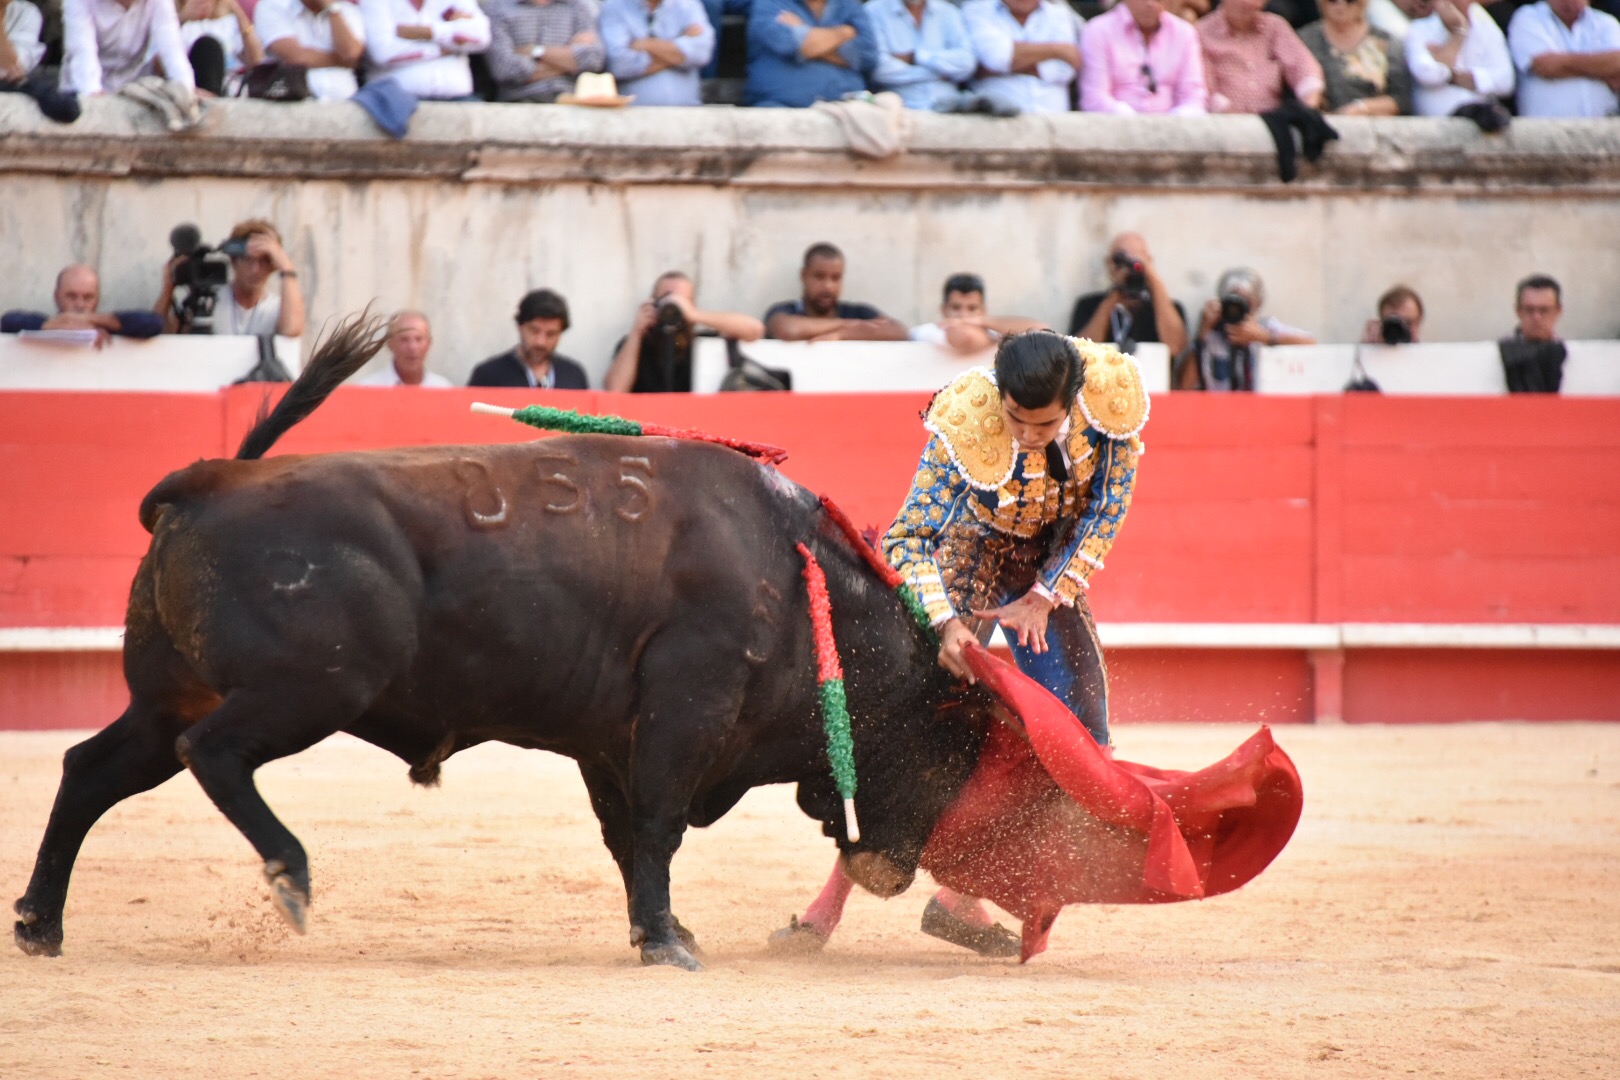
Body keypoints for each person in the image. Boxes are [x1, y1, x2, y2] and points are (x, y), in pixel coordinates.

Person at [773, 330, 1147, 957]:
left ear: (1074, 402)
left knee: (1085, 744)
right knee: (914, 729)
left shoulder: (1111, 399)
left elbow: (1106, 507)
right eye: (1016, 418)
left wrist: (1046, 595)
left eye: (1044, 423)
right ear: (999, 399)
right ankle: (824, 912)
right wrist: (947, 622)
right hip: (970, 557)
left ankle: (958, 901)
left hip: (1047, 571)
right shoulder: (966, 418)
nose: (1027, 434)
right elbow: (908, 539)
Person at [603, 271, 765, 393]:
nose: (673, 307)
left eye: (681, 300)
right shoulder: (635, 344)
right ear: (653, 301)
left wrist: (695, 315)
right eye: (666, 298)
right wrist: (636, 331)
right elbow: (614, 390)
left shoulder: (703, 343)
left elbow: (755, 330)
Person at [155, 218, 306, 338]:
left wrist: (286, 268)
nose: (255, 269)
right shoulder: (209, 300)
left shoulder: (277, 307)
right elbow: (162, 333)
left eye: (264, 261)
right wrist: (168, 287)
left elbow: (291, 329)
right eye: (247, 259)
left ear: (273, 266)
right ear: (233, 261)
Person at [1184, 266, 1315, 391]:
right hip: (1220, 405)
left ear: (1258, 303)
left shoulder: (1266, 328)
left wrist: (1264, 337)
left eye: (1245, 301)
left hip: (1261, 404)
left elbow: (1311, 343)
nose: (1238, 308)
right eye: (1233, 300)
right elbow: (1184, 387)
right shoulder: (1212, 336)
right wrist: (1203, 333)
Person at [1066, 231, 1188, 358]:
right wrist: (1113, 298)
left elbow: (1176, 347)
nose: (1128, 267)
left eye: (1135, 258)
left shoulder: (1168, 308)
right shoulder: (1088, 306)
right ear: (1109, 263)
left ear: (1149, 261)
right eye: (1119, 260)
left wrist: (1153, 279)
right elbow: (1079, 353)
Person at [1080, 0, 1208, 114]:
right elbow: (1094, 98)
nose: (1150, 4)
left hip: (1173, 128)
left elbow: (1193, 96)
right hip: (1114, 127)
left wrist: (1174, 123)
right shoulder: (1098, 30)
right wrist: (1133, 123)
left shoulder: (1185, 33)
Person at [763, 242, 909, 341]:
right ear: (803, 276)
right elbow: (787, 329)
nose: (828, 286)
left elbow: (899, 331)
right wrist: (850, 325)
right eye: (819, 277)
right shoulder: (785, 310)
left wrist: (842, 335)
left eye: (836, 278)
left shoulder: (858, 312)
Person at [744, 0, 878, 107]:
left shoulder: (849, 5)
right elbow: (790, 45)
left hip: (847, 106)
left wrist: (803, 31)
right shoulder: (771, 3)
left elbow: (867, 56)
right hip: (782, 106)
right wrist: (843, 33)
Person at [1197, 0, 1324, 111]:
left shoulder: (1274, 26)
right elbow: (1206, 91)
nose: (1248, 2)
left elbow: (1304, 66)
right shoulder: (1201, 32)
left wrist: (1308, 107)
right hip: (1223, 121)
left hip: (1275, 122)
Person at [962, 0, 1083, 115]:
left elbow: (1065, 70)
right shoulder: (976, 10)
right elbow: (997, 58)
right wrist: (1058, 50)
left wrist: (1003, 66)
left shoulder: (1060, 14)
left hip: (1056, 121)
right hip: (996, 122)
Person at [1403, 0, 1515, 122]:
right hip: (1437, 125)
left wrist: (1452, 74)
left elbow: (1506, 83)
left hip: (1482, 123)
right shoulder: (1418, 29)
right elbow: (1429, 75)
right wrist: (1458, 34)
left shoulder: (1488, 30)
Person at [2, 263, 164, 346]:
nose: (80, 305)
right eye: (71, 296)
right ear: (56, 296)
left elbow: (153, 323)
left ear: (98, 298)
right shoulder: (41, 326)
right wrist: (57, 325)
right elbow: (8, 321)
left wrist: (92, 321)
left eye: (88, 298)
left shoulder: (106, 329)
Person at [1507, 0, 1620, 117]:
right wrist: (1602, 68)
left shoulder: (1606, 22)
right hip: (1543, 125)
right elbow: (1545, 66)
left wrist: (1563, 64)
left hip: (1602, 124)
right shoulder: (1527, 17)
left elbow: (1617, 66)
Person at [359, 0, 491, 100]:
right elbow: (383, 53)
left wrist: (429, 32)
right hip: (395, 103)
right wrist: (442, 48)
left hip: (459, 98)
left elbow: (482, 37)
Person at [60, 0, 195, 97]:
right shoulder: (77, 2)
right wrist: (92, 93)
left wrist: (187, 91)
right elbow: (82, 53)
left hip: (133, 89)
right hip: (79, 90)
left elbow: (172, 49)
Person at [1299, 0, 1414, 115]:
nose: (1341, 4)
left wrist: (1361, 108)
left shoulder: (1387, 43)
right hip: (1316, 122)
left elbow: (1401, 99)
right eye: (1332, 0)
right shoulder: (1302, 41)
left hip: (1373, 124)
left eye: (1350, 0)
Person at [866, 0, 979, 112]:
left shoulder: (948, 11)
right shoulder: (874, 10)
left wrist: (915, 57)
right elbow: (880, 69)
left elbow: (967, 63)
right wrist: (940, 72)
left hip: (950, 104)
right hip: (902, 107)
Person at [484, 0, 604, 103]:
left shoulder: (580, 6)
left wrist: (534, 51)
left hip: (573, 100)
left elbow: (594, 60)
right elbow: (505, 69)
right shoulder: (499, 7)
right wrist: (569, 60)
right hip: (520, 101)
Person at [468, 288, 590, 388]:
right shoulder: (488, 375)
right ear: (519, 327)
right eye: (534, 331)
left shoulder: (574, 375)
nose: (541, 342)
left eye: (551, 334)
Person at [600, 0, 712, 106]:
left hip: (689, 111)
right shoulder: (614, 6)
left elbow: (701, 54)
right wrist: (679, 50)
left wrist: (646, 45)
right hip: (633, 113)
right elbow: (619, 64)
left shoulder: (689, 5)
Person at [253, 0, 366, 101]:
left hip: (343, 104)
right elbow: (294, 57)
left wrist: (333, 10)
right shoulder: (272, 6)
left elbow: (351, 54)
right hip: (293, 102)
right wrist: (342, 62)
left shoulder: (348, 11)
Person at [910, 273, 1049, 352]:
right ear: (943, 309)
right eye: (956, 308)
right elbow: (967, 337)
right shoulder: (927, 332)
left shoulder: (992, 331)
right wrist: (1000, 341)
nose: (964, 315)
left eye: (972, 308)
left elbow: (1042, 330)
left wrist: (982, 321)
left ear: (983, 310)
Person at [177, 0, 261, 95]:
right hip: (196, 87)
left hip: (233, 87)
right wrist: (182, 17)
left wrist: (238, 12)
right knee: (208, 46)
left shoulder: (231, 23)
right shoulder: (183, 26)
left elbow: (256, 63)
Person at [1499, 273, 1565, 392]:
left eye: (1544, 310)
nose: (1536, 317)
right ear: (1518, 311)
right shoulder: (1500, 353)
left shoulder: (1567, 353)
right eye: (1529, 310)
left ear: (1558, 311)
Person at [358, 310, 454, 386]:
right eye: (404, 339)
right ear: (390, 343)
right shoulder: (369, 388)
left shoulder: (443, 388)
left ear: (429, 343)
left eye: (419, 339)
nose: (412, 347)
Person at [1360, 283, 1424, 344]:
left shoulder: (1427, 352)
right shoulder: (1371, 349)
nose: (1400, 329)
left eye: (1408, 323)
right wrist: (1367, 347)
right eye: (1394, 322)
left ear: (1418, 322)